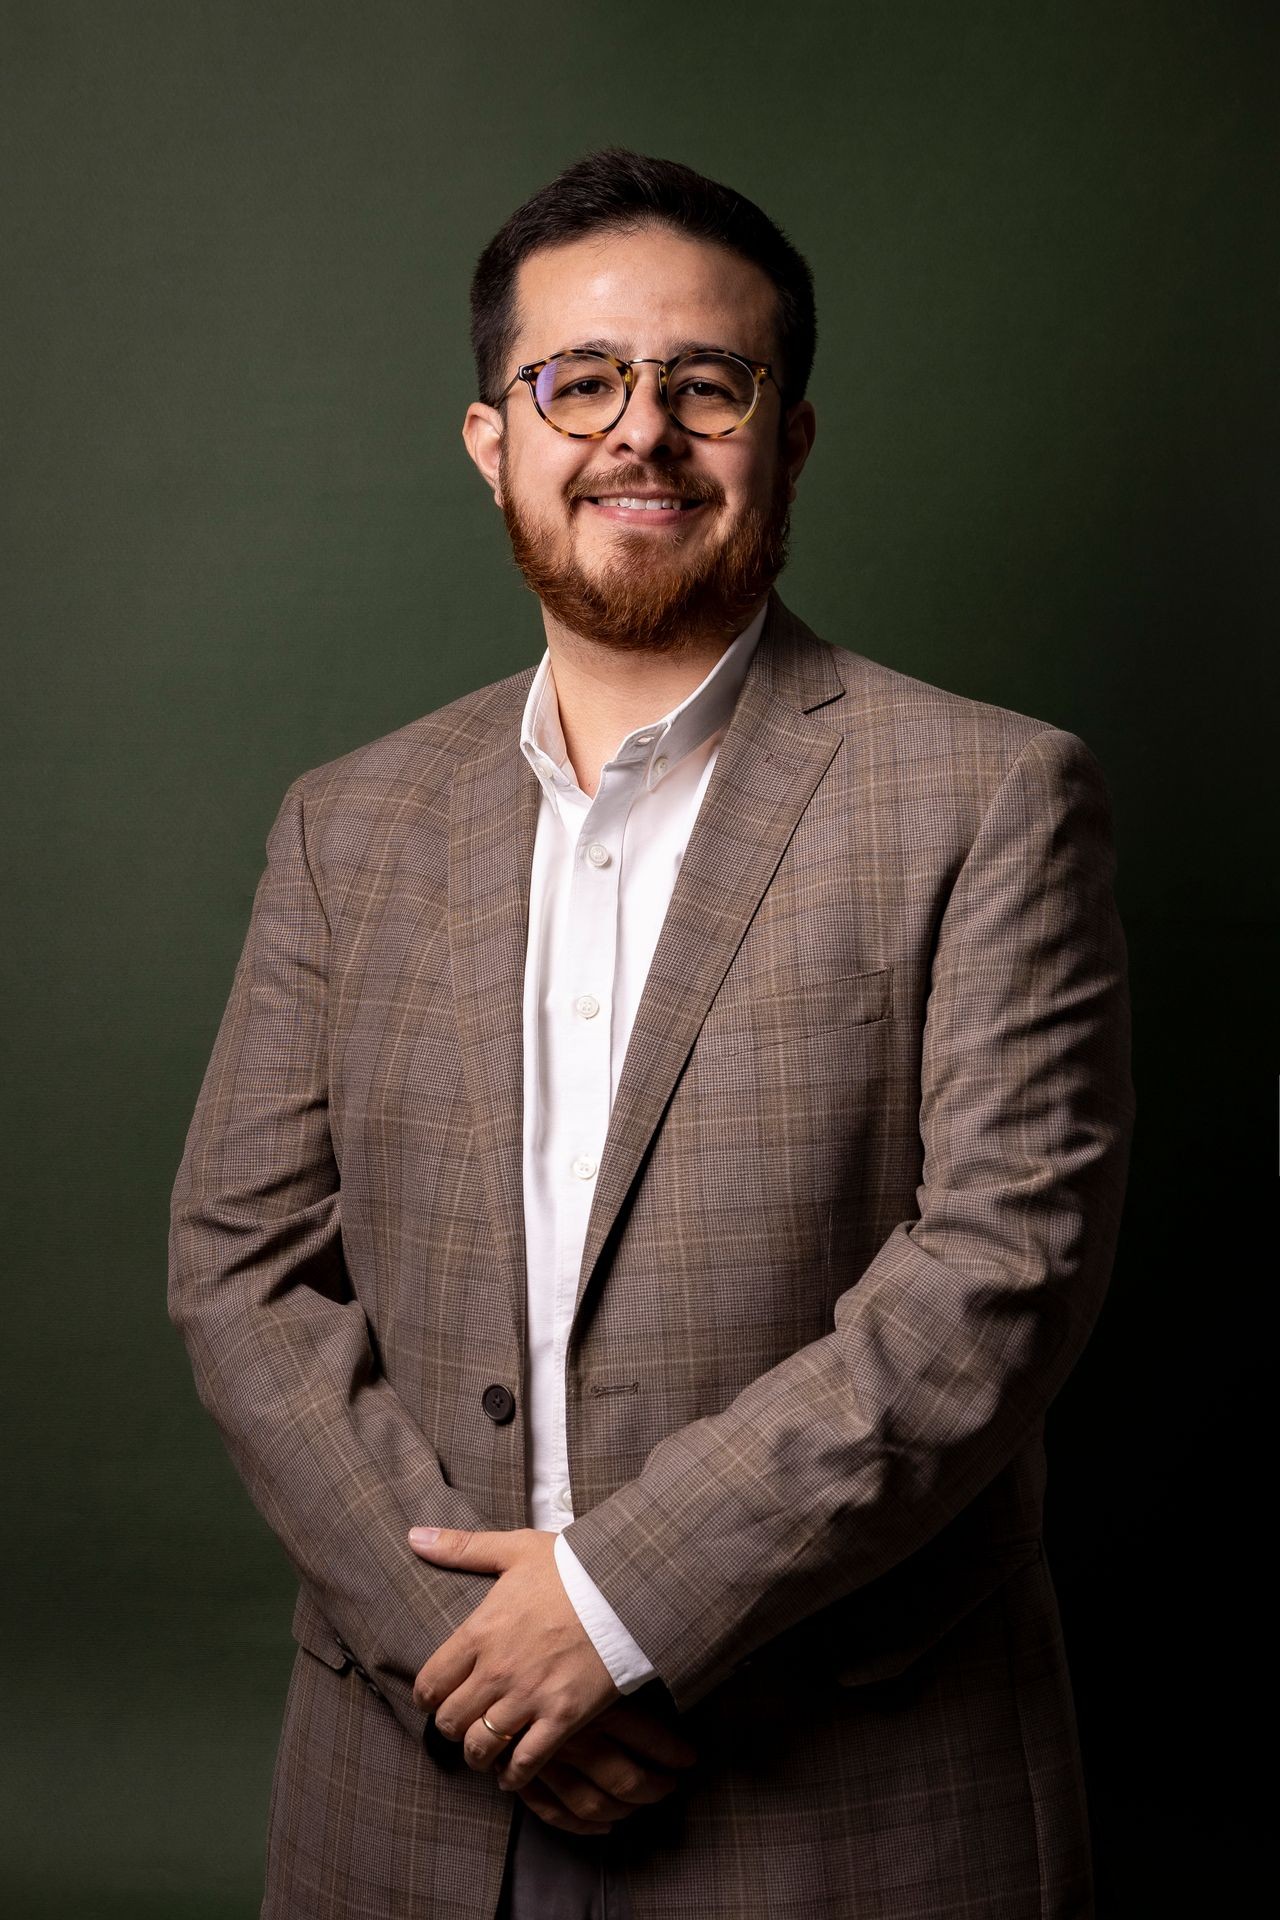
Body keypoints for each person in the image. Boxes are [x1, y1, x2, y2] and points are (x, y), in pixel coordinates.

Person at [168, 148, 1135, 1920]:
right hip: (409, 1784)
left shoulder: (989, 796)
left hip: (847, 1794)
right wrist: (478, 1650)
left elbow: (1007, 1265)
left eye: (708, 384)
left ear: (793, 435)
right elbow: (239, 1268)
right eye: (581, 382)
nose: (642, 432)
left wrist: (618, 1607)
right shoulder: (346, 821)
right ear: (495, 439)